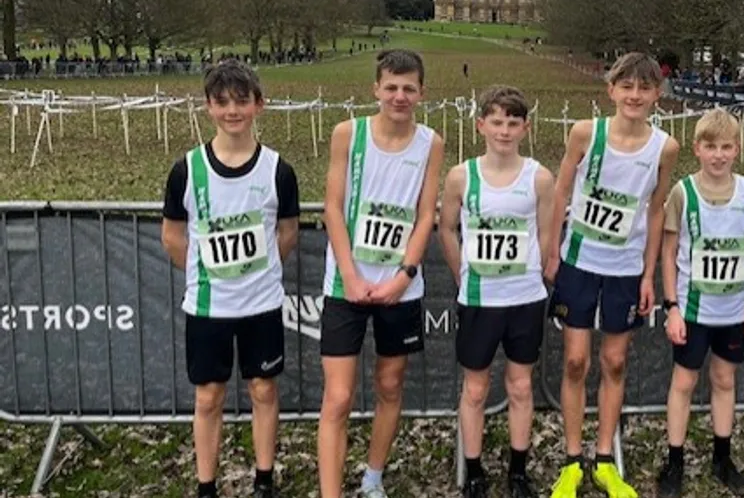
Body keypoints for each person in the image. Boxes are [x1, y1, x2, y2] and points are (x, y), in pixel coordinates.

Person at [161, 60, 300, 498]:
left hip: (261, 304)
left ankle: (264, 480)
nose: (232, 111)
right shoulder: (187, 170)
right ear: (208, 108)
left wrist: (253, 275)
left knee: (263, 390)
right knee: (208, 397)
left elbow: (287, 232)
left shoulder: (280, 170)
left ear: (259, 105)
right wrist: (211, 275)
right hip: (209, 307)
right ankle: (206, 486)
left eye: (242, 101)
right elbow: (173, 236)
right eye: (221, 102)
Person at [546, 51, 680, 498]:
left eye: (644, 88)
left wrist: (647, 276)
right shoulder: (586, 133)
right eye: (627, 86)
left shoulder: (665, 146)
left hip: (624, 269)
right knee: (575, 360)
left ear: (656, 95)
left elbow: (656, 210)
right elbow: (561, 190)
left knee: (615, 361)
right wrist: (551, 252)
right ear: (612, 90)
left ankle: (604, 459)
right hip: (580, 262)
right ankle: (570, 460)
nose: (635, 95)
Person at [317, 49, 444, 498]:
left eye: (409, 88)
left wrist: (403, 276)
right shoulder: (347, 133)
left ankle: (373, 478)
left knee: (390, 385)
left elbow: (426, 214)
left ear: (422, 93)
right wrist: (350, 275)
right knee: (338, 397)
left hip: (400, 288)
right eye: (391, 87)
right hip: (344, 283)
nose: (399, 96)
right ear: (376, 89)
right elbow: (332, 207)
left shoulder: (431, 141)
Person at [438, 85, 555, 498]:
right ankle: (472, 470)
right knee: (475, 388)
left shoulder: (539, 177)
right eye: (496, 121)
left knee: (521, 386)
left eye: (512, 122)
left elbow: (546, 235)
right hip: (479, 299)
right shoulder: (460, 176)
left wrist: (539, 277)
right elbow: (446, 230)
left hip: (524, 298)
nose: (504, 131)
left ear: (525, 127)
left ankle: (518, 471)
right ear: (480, 125)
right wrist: (461, 274)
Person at [654, 108, 744, 498]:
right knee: (683, 382)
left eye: (726, 147)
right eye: (710, 147)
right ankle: (675, 460)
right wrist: (672, 307)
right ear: (697, 149)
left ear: (736, 149)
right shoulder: (683, 193)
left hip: (732, 311)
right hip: (693, 310)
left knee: (723, 380)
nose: (718, 154)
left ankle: (722, 457)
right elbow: (668, 254)